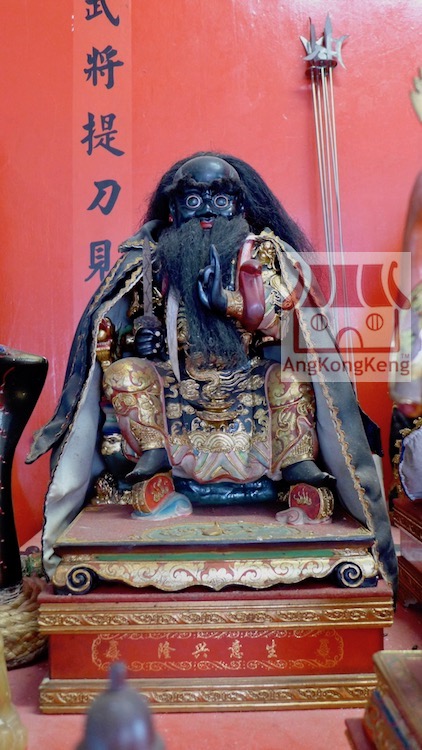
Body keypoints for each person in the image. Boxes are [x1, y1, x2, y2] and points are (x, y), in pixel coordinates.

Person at [27, 152, 397, 592]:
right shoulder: (150, 262)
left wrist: (234, 305)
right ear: (173, 207)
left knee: (291, 378)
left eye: (220, 201)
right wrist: (139, 342)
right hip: (177, 387)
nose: (206, 211)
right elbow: (116, 333)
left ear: (239, 207)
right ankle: (155, 459)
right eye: (193, 199)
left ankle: (296, 465)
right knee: (124, 374)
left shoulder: (263, 256)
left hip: (249, 384)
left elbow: (299, 328)